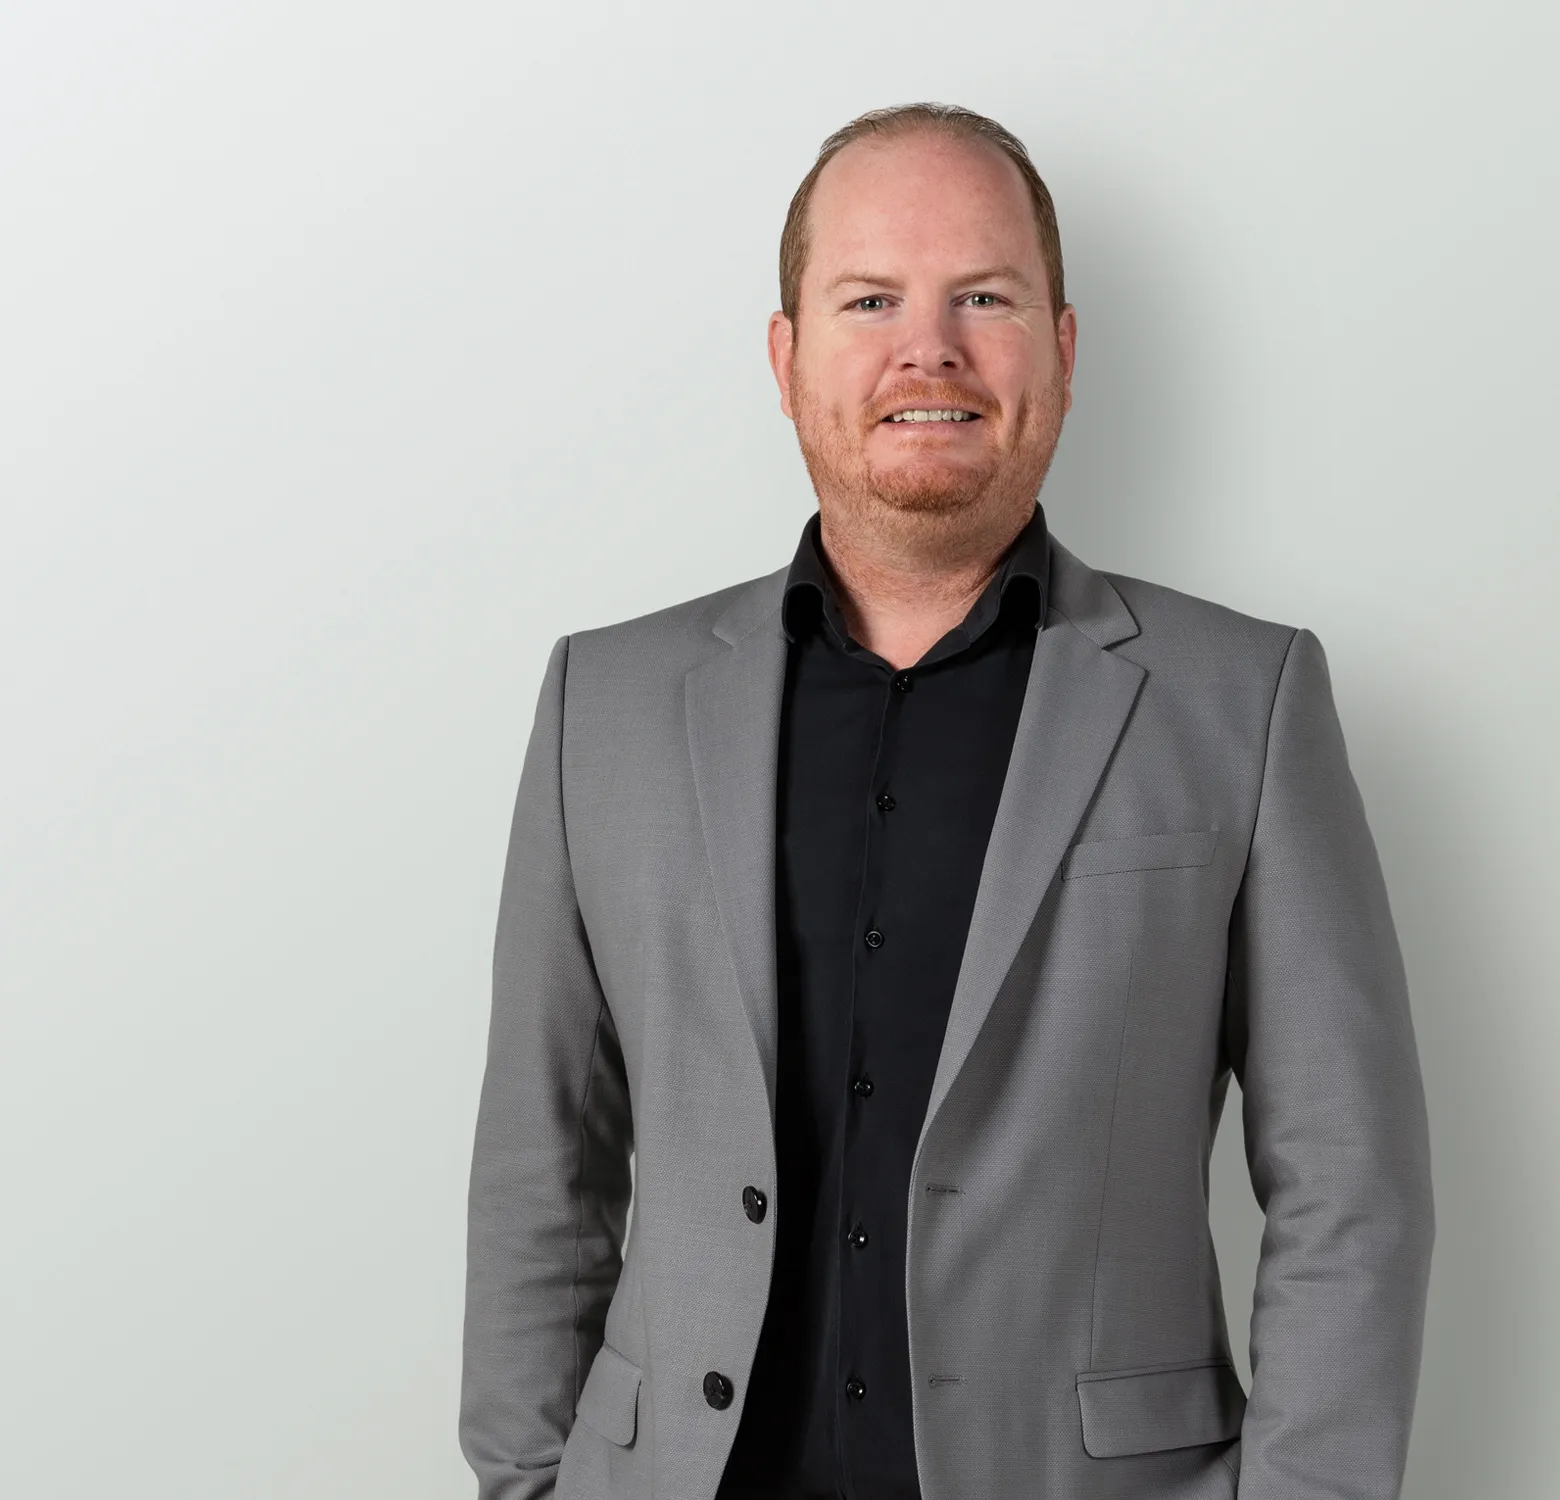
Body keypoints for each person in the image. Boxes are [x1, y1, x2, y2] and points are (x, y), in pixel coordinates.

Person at [458, 101, 1435, 1500]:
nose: (930, 349)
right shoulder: (600, 705)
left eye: (985, 297)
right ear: (787, 358)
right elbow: (538, 1167)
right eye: (871, 300)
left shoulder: (1247, 702)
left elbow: (1351, 1186)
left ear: (1063, 351)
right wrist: (527, 1482)